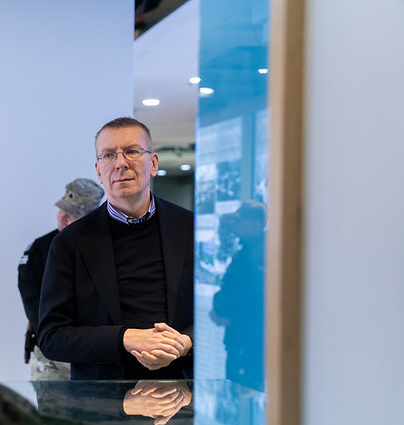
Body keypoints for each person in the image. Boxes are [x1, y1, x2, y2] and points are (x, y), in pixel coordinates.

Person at [37, 116, 194, 381]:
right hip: (103, 396)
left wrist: (185, 343)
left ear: (154, 163)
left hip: (183, 389)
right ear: (99, 171)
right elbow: (52, 337)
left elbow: (225, 311)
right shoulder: (70, 242)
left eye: (132, 151)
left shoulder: (193, 229)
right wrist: (125, 338)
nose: (121, 163)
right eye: (109, 155)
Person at [17, 178, 103, 380]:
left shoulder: (105, 248)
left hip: (97, 353)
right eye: (62, 209)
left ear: (92, 218)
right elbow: (33, 301)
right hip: (55, 356)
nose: (62, 217)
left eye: (72, 214)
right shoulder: (41, 249)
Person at [210, 200, 266, 391]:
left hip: (249, 335)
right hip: (241, 333)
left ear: (255, 224)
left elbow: (250, 294)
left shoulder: (258, 253)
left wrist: (224, 309)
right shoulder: (247, 251)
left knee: (245, 387)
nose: (236, 225)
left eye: (241, 220)